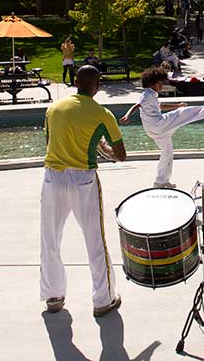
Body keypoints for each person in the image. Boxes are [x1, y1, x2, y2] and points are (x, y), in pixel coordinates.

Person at [40, 65, 127, 316]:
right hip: (83, 180)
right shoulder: (102, 114)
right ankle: (103, 300)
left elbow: (49, 144)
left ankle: (53, 296)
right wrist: (101, 148)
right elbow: (120, 155)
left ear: (75, 81)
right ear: (97, 86)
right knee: (95, 239)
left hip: (52, 177)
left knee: (50, 238)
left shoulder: (53, 109)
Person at [119, 67, 204, 188]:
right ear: (152, 83)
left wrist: (177, 105)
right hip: (158, 125)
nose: (162, 85)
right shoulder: (147, 95)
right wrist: (127, 115)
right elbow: (137, 105)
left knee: (167, 151)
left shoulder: (152, 95)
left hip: (152, 130)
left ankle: (161, 181)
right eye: (160, 83)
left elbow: (162, 106)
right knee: (185, 113)